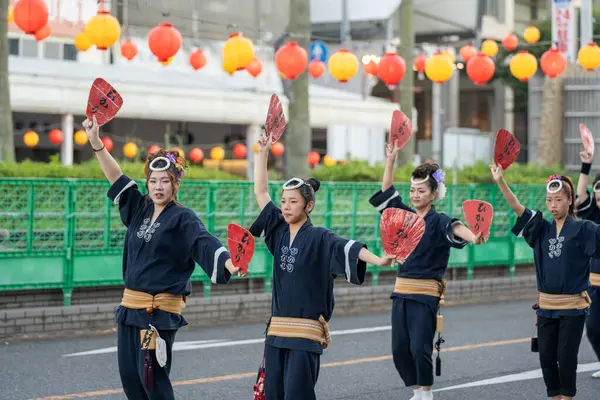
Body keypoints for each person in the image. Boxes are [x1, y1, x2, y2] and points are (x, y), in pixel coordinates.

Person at [82, 116, 245, 400]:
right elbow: (116, 176)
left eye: (165, 182)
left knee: (151, 377)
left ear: (175, 184)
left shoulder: (183, 218)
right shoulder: (138, 208)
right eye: (153, 181)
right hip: (130, 311)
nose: (158, 187)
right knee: (131, 380)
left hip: (155, 317)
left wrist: (229, 262)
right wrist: (96, 142)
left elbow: (204, 242)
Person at [249, 133, 396, 400]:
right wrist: (263, 152)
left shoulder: (320, 237)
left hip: (305, 335)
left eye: (293, 202)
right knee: (273, 395)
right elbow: (261, 191)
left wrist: (380, 260)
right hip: (276, 332)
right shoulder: (278, 231)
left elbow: (350, 248)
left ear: (309, 205)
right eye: (284, 201)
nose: (286, 206)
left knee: (298, 394)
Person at [369, 143, 486, 400]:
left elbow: (460, 229)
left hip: (425, 295)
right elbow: (387, 192)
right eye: (412, 190)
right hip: (401, 292)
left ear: (433, 194)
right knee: (399, 349)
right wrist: (390, 159)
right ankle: (416, 390)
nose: (415, 195)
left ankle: (426, 392)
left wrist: (475, 237)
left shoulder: (440, 220)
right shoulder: (404, 216)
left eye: (421, 191)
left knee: (421, 348)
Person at [491, 162, 597, 400]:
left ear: (569, 201)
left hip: (573, 309)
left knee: (566, 358)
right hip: (547, 308)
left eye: (558, 199)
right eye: (549, 200)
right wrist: (500, 181)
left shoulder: (583, 229)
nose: (553, 205)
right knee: (546, 358)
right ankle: (555, 397)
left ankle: (567, 397)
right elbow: (516, 206)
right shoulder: (541, 229)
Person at [573, 148, 600, 380]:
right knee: (592, 328)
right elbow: (580, 196)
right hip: (594, 285)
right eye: (598, 196)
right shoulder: (593, 215)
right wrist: (586, 166)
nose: (598, 200)